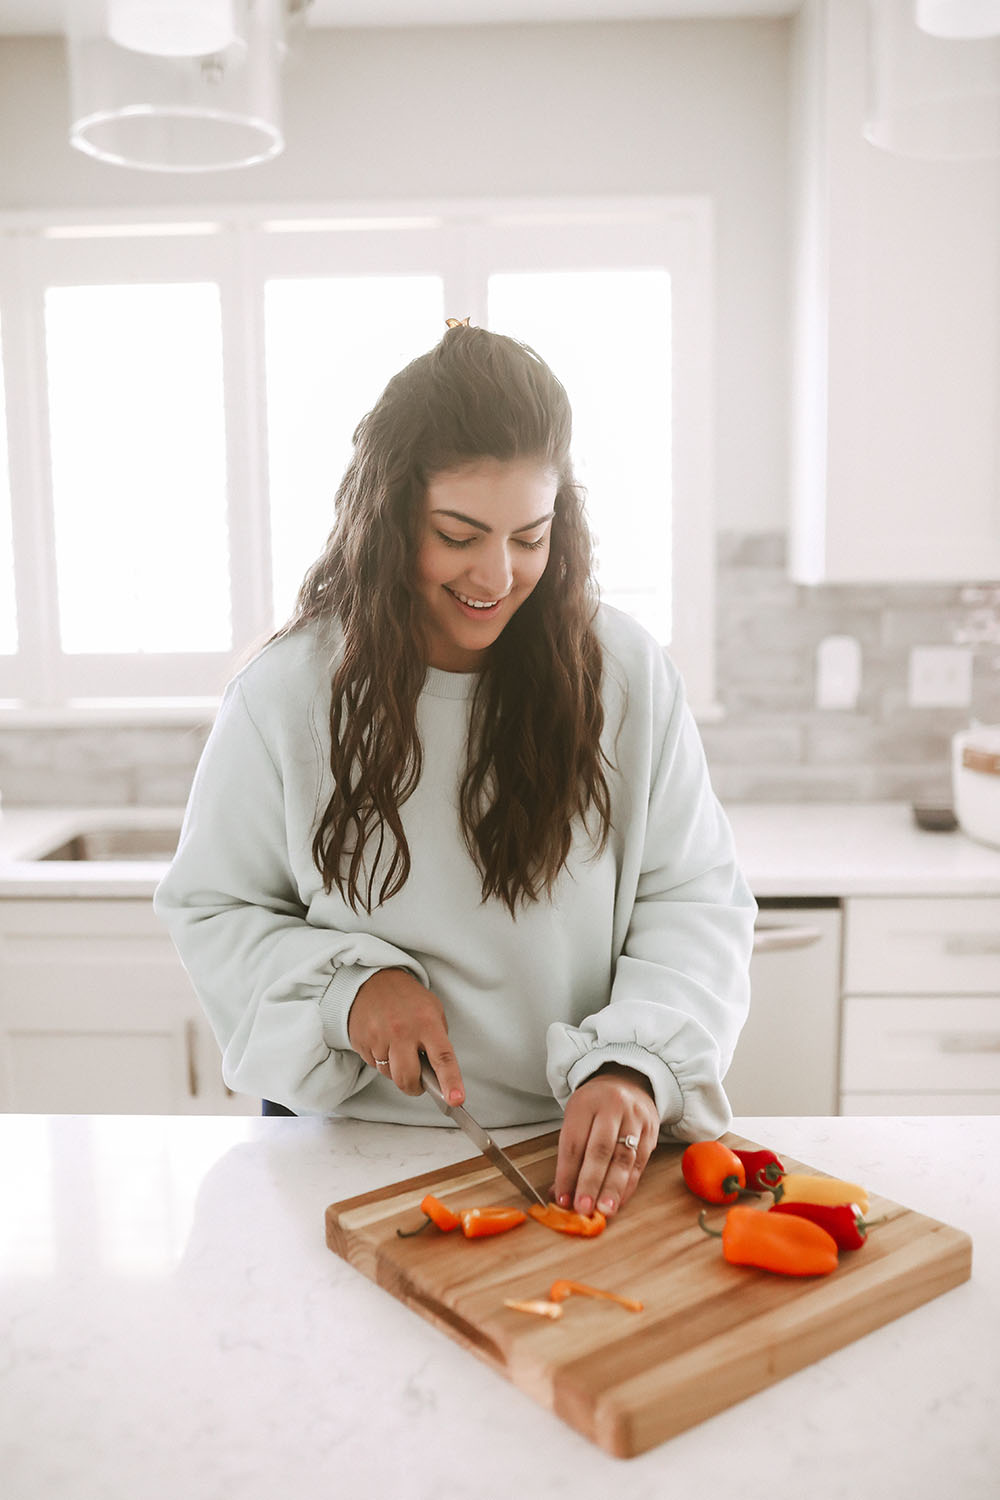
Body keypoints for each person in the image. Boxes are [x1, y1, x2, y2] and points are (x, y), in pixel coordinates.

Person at [154, 322, 756, 1221]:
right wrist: (349, 991)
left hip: (573, 1151)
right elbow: (216, 911)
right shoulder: (284, 694)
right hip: (348, 1156)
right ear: (390, 516)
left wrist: (637, 1062)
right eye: (458, 533)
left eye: (530, 535)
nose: (498, 573)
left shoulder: (626, 674)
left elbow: (694, 899)